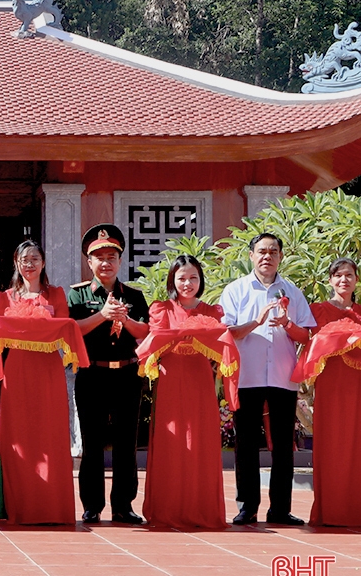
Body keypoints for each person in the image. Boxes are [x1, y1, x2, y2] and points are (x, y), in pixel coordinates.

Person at [220, 232, 313, 526]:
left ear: (281, 257)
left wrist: (287, 323)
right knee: (246, 443)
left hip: (283, 375)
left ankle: (280, 509)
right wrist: (257, 322)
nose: (267, 257)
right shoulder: (236, 290)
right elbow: (228, 332)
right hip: (247, 374)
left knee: (284, 444)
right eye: (261, 251)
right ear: (251, 255)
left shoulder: (292, 291)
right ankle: (247, 507)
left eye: (273, 251)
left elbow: (306, 335)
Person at [0, 239, 74, 525]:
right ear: (16, 263)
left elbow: (65, 326)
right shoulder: (6, 297)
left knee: (50, 434)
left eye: (35, 258)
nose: (30, 263)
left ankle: (51, 507)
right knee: (19, 435)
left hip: (48, 369)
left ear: (43, 262)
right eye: (24, 259)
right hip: (19, 370)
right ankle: (21, 505)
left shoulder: (56, 294)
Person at [67, 224, 149, 525]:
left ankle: (123, 505)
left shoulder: (134, 296)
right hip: (92, 375)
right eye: (99, 257)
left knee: (127, 442)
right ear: (89, 262)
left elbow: (146, 331)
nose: (105, 262)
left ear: (120, 261)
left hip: (127, 375)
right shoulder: (76, 296)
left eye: (111, 257)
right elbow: (71, 329)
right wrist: (102, 315)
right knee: (92, 442)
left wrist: (122, 319)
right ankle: (91, 505)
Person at [142, 255, 229, 528]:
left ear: (201, 280)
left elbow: (220, 345)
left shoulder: (212, 312)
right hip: (170, 379)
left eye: (193, 278)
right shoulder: (161, 309)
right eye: (181, 278)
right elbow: (155, 341)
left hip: (200, 380)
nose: (187, 283)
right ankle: (168, 509)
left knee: (201, 441)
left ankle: (200, 508)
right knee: (173, 441)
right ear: (172, 280)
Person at [303, 258, 360, 526]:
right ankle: (331, 510)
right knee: (331, 442)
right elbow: (306, 340)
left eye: (349, 275)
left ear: (356, 280)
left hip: (357, 385)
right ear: (330, 280)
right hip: (330, 385)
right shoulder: (317, 311)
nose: (343, 280)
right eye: (338, 275)